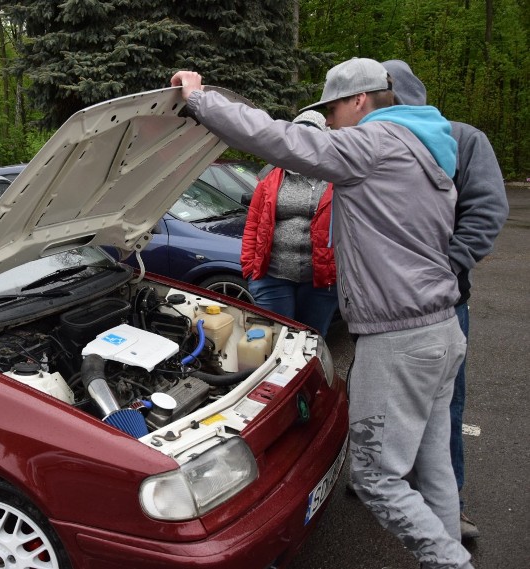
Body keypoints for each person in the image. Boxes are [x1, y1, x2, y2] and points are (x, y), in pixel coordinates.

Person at [171, 58, 472, 569]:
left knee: (376, 478)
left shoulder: (374, 145)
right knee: (434, 463)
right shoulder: (426, 149)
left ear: (360, 101)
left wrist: (201, 99)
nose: (329, 121)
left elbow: (279, 139)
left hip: (399, 339)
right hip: (441, 330)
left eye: (332, 109)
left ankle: (451, 563)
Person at [382, 59, 509, 540]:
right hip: (380, 311)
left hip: (442, 302)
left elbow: (488, 209)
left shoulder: (461, 138)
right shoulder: (368, 142)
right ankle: (382, 478)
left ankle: (447, 502)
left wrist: (444, 269)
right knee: (381, 400)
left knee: (445, 403)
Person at [240, 110, 338, 337]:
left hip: (320, 283)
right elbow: (253, 223)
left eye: (311, 136)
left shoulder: (336, 175)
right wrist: (250, 270)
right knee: (272, 341)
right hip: (272, 278)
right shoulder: (271, 175)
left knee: (310, 342)